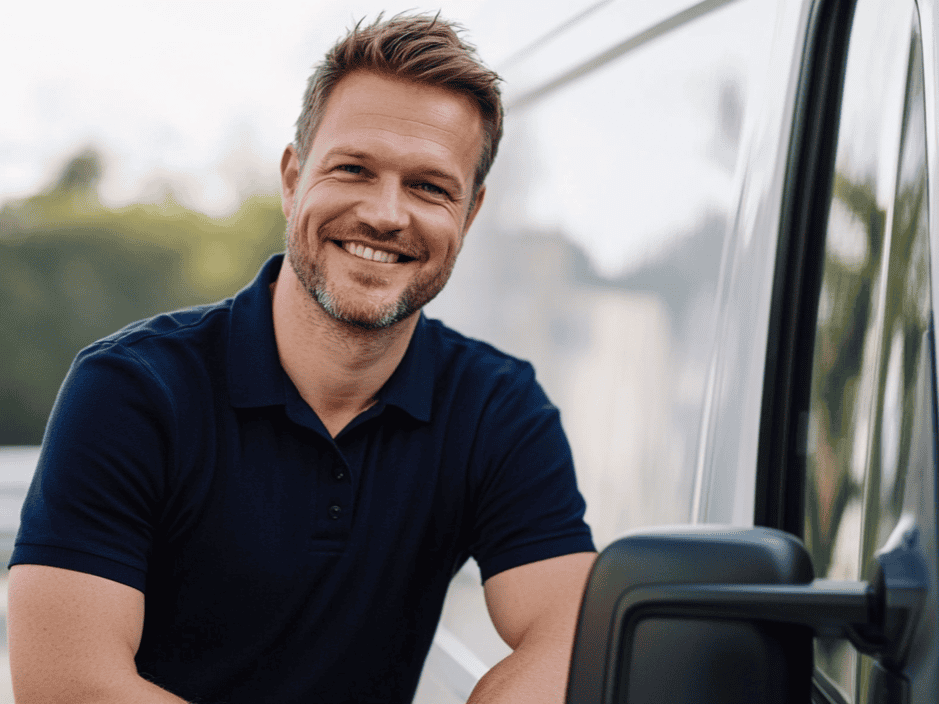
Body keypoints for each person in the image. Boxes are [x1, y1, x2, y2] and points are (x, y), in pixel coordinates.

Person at [8, 13, 596, 704]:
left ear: (469, 213)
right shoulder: (134, 389)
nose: (385, 213)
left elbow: (572, 636)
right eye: (353, 169)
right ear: (293, 178)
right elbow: (67, 685)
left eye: (429, 187)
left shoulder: (498, 408)